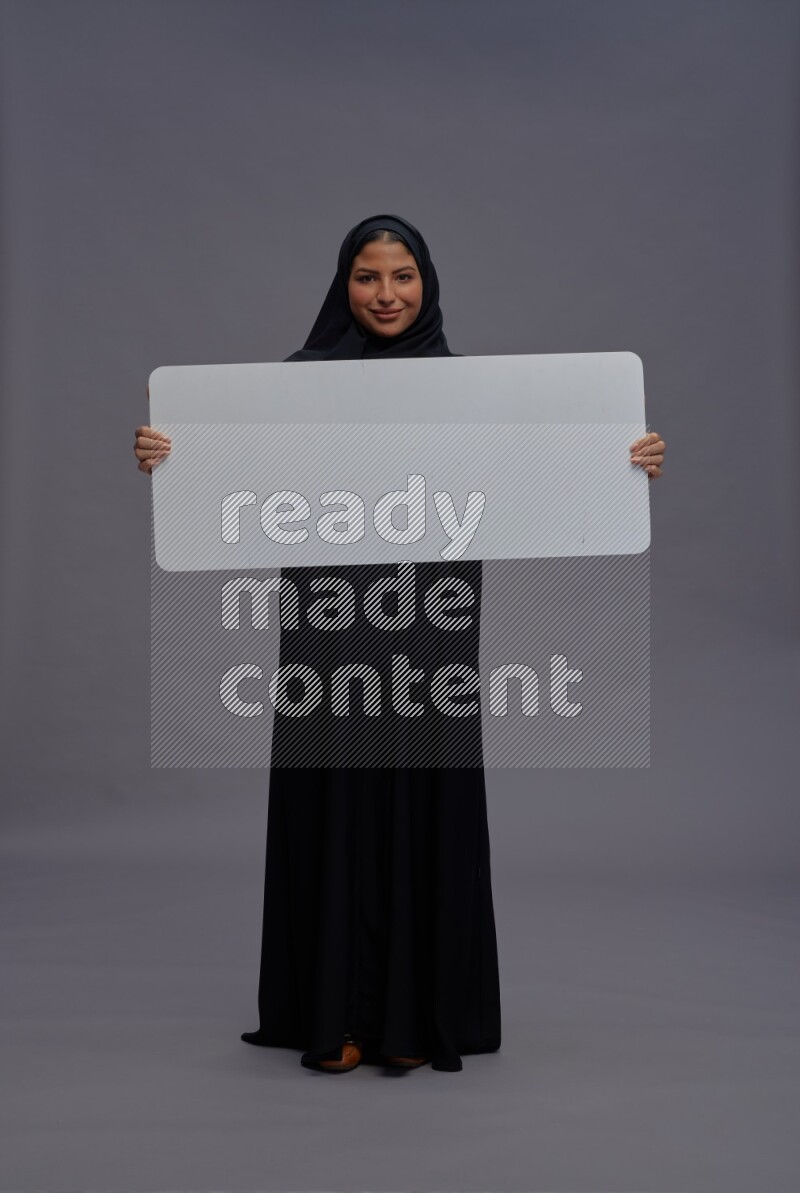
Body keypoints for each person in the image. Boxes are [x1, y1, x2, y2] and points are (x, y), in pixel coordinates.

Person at [134, 214, 667, 1074]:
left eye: (403, 276)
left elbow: (543, 473)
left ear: (428, 285)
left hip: (431, 621)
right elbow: (230, 481)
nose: (386, 295)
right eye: (368, 277)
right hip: (329, 625)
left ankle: (414, 1018)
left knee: (422, 783)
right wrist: (170, 456)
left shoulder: (466, 391)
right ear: (343, 284)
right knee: (339, 789)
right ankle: (337, 1013)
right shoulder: (298, 385)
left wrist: (624, 459)